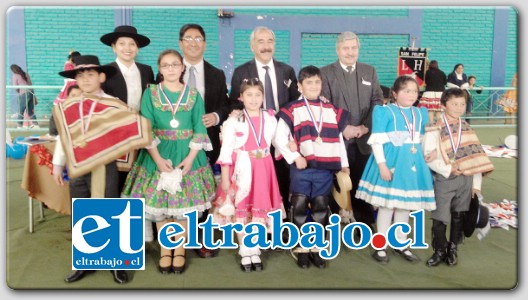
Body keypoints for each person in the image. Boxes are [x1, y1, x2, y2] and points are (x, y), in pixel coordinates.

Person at [51, 55, 151, 284]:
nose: (85, 79)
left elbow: (130, 131)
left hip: (106, 166)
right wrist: (58, 163)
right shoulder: (69, 105)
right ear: (75, 79)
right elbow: (63, 137)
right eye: (80, 75)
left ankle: (117, 262)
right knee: (82, 212)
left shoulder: (113, 104)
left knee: (110, 211)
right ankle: (84, 261)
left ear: (101, 77)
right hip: (77, 167)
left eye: (90, 74)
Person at [121, 49, 215, 275]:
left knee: (183, 207)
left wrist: (191, 158)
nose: (171, 69)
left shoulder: (193, 95)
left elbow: (199, 126)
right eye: (166, 65)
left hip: (187, 154)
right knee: (161, 207)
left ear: (182, 67)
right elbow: (147, 126)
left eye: (175, 64)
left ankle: (180, 249)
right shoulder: (150, 94)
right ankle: (166, 249)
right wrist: (157, 158)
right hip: (158, 153)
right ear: (159, 69)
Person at [355, 75, 436, 264]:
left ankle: (400, 242)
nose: (411, 95)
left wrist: (429, 153)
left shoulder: (420, 113)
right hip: (391, 163)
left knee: (404, 205)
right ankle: (380, 245)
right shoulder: (384, 112)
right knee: (386, 205)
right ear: (394, 93)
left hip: (412, 165)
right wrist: (382, 166)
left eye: (414, 91)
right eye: (406, 91)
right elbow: (377, 142)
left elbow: (423, 139)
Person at [274, 66, 350, 269]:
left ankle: (316, 247)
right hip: (302, 168)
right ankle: (300, 248)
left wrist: (344, 163)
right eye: (309, 82)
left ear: (322, 84)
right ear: (299, 86)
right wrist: (294, 156)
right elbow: (278, 138)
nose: (314, 86)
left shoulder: (330, 109)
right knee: (298, 208)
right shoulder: (291, 109)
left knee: (320, 209)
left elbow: (338, 138)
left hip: (325, 169)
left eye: (317, 82)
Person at [229, 26, 300, 226]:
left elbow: (295, 102)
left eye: (270, 41)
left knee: (281, 180)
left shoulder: (287, 70)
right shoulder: (241, 71)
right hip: (253, 139)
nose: (266, 46)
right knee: (254, 184)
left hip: (280, 134)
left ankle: (280, 225)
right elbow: (235, 102)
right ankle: (255, 226)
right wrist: (235, 112)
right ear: (252, 46)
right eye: (260, 41)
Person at [213, 78, 283, 272]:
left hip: (264, 168)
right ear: (241, 97)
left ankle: (255, 248)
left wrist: (292, 149)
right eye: (249, 95)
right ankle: (245, 250)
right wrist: (225, 178)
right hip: (241, 169)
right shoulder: (233, 121)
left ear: (263, 96)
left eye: (257, 95)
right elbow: (226, 151)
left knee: (259, 209)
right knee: (241, 209)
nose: (253, 99)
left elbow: (278, 142)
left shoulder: (270, 118)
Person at [422, 87, 494, 267]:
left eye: (462, 104)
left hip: (466, 180)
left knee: (459, 215)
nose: (459, 107)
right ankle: (439, 250)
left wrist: (476, 185)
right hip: (444, 179)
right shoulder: (433, 128)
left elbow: (476, 158)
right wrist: (448, 169)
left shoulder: (468, 129)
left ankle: (453, 249)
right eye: (454, 104)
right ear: (444, 104)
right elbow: (427, 157)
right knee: (440, 216)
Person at [320, 31, 384, 229]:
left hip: (364, 140)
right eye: (346, 48)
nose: (350, 52)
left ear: (358, 49)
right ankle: (332, 225)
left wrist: (365, 127)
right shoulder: (325, 73)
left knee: (362, 184)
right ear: (338, 49)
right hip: (337, 140)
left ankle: (364, 224)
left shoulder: (369, 71)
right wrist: (344, 128)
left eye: (353, 48)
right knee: (335, 184)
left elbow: (377, 101)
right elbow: (324, 104)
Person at [179, 23, 231, 258]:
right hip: (176, 141)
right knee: (178, 186)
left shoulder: (216, 74)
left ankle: (202, 236)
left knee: (204, 189)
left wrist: (217, 116)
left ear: (205, 43)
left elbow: (227, 104)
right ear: (181, 43)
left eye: (198, 38)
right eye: (188, 38)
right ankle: (177, 238)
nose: (193, 43)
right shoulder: (169, 69)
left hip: (207, 142)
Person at [100, 24, 156, 242]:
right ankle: (121, 235)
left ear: (138, 48)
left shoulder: (146, 70)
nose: (127, 48)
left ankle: (144, 229)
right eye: (122, 43)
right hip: (117, 138)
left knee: (142, 180)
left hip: (143, 134)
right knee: (119, 183)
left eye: (132, 44)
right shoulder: (105, 72)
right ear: (113, 47)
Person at [10, 64, 39, 128]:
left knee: (21, 110)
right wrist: (34, 95)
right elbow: (31, 84)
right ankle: (36, 125)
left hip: (24, 94)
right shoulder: (26, 74)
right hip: (31, 93)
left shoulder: (15, 75)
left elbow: (15, 87)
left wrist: (19, 92)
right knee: (30, 111)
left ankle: (19, 126)